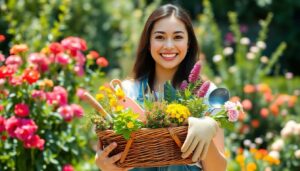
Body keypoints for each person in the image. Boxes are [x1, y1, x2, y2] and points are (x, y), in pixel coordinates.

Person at [95, 4, 227, 171]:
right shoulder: (126, 93)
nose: (169, 46)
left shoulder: (208, 94)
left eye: (178, 37)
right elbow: (107, 154)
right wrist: (104, 165)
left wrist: (207, 127)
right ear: (148, 43)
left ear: (189, 43)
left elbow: (219, 169)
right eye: (160, 37)